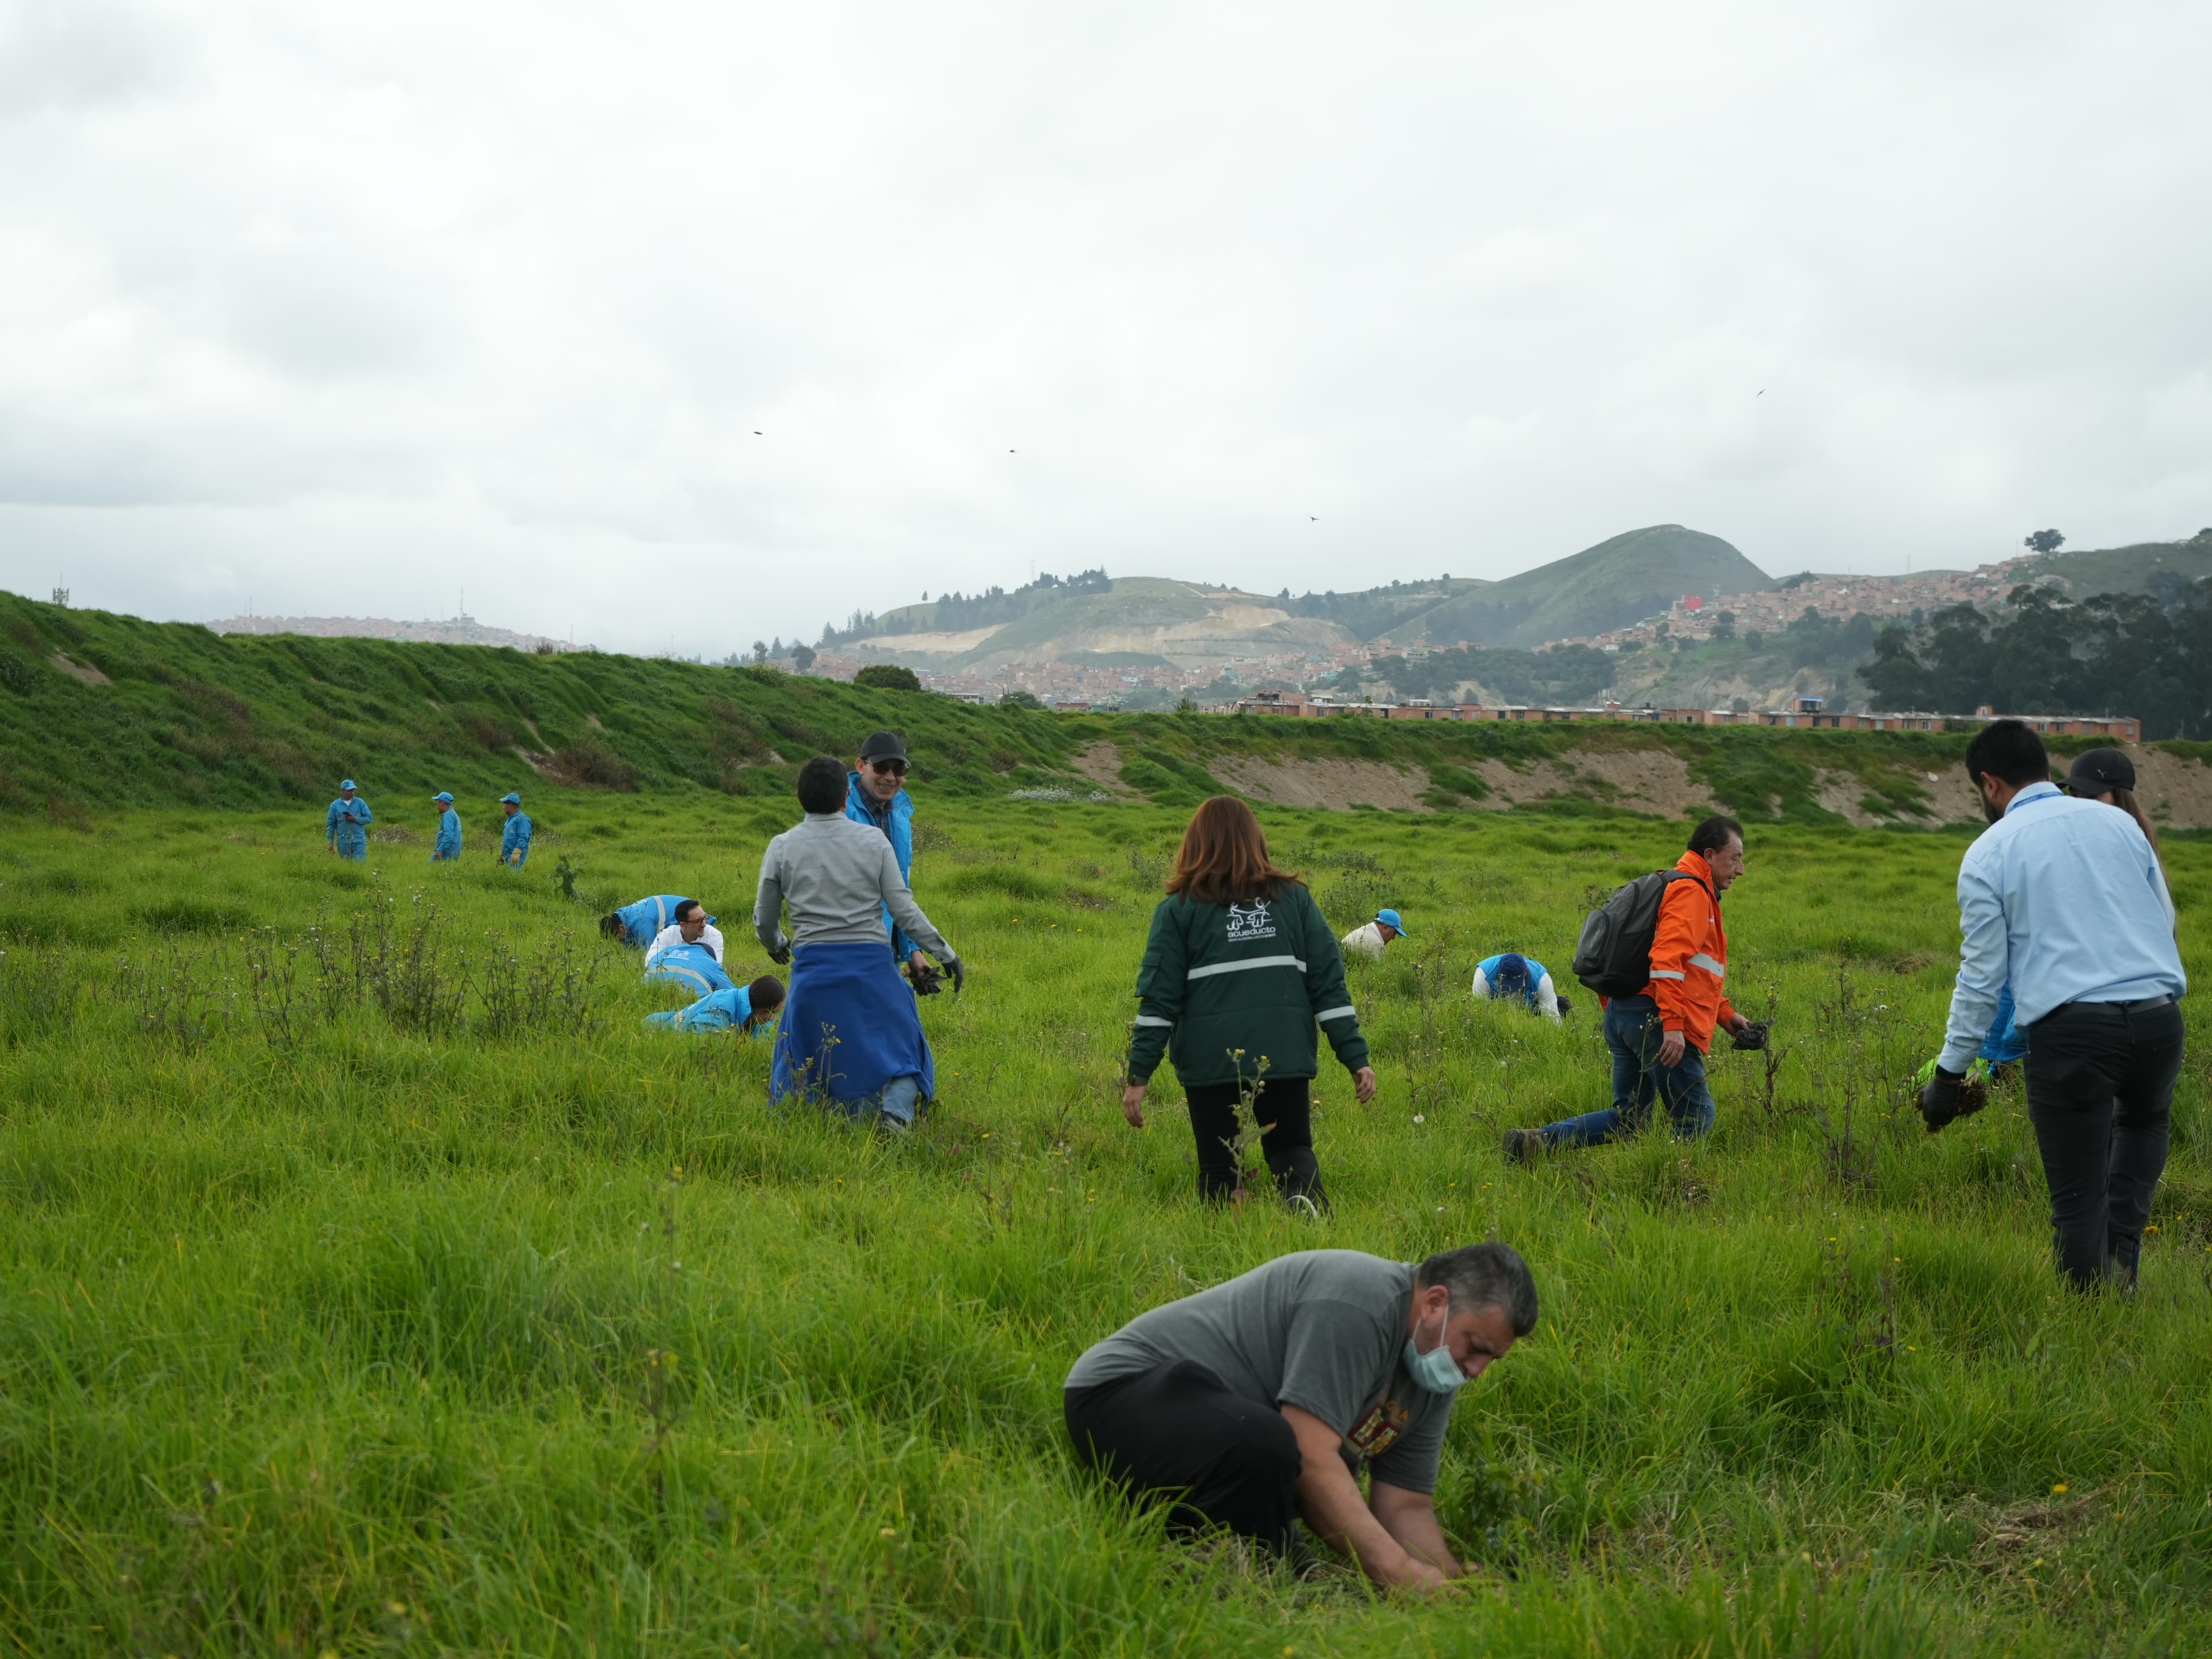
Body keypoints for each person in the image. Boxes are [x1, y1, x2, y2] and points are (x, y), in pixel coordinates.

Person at [1064, 1243, 1538, 1588]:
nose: (1475, 1371)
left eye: (1491, 1360)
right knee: (1271, 1445)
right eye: (1475, 1347)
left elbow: (1405, 1504)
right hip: (1119, 1393)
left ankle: (1252, 1541)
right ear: (1435, 1303)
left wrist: (1450, 1581)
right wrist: (1399, 1574)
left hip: (1221, 1436)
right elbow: (1311, 1457)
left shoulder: (1433, 1370)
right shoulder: (1360, 1301)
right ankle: (1254, 1550)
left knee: (1275, 1450)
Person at [1919, 720, 2185, 1292]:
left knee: (2077, 1199)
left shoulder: (1989, 851)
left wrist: (1949, 1075)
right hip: (2158, 1020)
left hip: (2073, 1035)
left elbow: (1982, 979)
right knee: (2140, 1139)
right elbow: (2163, 920)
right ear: (2044, 768)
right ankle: (2123, 1281)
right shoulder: (2119, 824)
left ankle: (2087, 1315)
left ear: (1990, 783)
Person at [1121, 796, 1378, 1212]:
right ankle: (1307, 1212)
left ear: (1194, 843)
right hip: (1283, 1052)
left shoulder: (1177, 910)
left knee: (1219, 1168)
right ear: (1256, 839)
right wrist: (1356, 1059)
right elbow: (1328, 986)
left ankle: (1225, 1236)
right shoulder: (1295, 901)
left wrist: (1139, 1076)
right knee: (1291, 1148)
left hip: (1210, 1060)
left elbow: (1160, 1000)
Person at [1502, 815, 1756, 1161]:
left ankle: (1534, 1143)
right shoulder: (1692, 891)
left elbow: (1694, 973)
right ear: (1710, 855)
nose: (1740, 869)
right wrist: (1672, 1025)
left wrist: (1725, 1015)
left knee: (1630, 1119)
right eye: (1735, 858)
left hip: (1623, 1012)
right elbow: (1667, 962)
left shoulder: (1669, 882)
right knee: (1695, 1114)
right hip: (1654, 1020)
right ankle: (1669, 1182)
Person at [756, 754, 965, 1130]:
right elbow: (903, 909)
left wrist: (776, 944)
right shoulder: (874, 841)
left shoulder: (782, 846)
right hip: (874, 968)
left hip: (813, 971)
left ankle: (814, 1123)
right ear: (845, 797)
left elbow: (764, 920)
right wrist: (945, 953)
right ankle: (896, 1113)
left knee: (801, 1054)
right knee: (905, 1047)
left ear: (800, 798)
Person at [846, 730, 937, 990]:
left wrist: (913, 951)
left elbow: (898, 893)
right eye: (881, 768)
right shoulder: (838, 810)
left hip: (884, 951)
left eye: (899, 770)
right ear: (861, 766)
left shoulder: (899, 816)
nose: (890, 777)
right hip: (846, 952)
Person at [2062, 748, 2164, 864]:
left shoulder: (2131, 846)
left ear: (2120, 797)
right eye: (2074, 795)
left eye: (2092, 796)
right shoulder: (2067, 839)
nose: (2081, 803)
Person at [646, 975, 785, 1034]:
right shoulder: (719, 1012)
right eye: (771, 1012)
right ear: (758, 1005)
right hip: (657, 1030)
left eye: (776, 1013)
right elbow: (701, 1049)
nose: (772, 1018)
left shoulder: (756, 1014)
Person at [1471, 952, 1568, 1020]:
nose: (1511, 990)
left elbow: (1551, 1016)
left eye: (1515, 984)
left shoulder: (1541, 979)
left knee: (1561, 1003)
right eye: (1507, 983)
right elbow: (1481, 1011)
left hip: (1529, 1007)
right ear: (1498, 971)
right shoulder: (1484, 974)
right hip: (1497, 1011)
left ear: (1526, 972)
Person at [642, 936, 736, 999]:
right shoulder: (711, 962)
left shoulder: (662, 953)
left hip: (646, 992)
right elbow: (732, 994)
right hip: (694, 999)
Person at [645, 899, 726, 965]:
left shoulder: (714, 935)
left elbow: (716, 967)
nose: (704, 924)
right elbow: (650, 962)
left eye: (705, 918)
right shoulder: (667, 935)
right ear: (683, 925)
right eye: (698, 921)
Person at [601, 895, 696, 948]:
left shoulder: (640, 921)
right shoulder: (623, 915)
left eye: (619, 938)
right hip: (685, 909)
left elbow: (650, 950)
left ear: (621, 927)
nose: (620, 941)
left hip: (691, 916)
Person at [325, 779, 373, 861]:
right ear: (343, 791)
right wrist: (331, 842)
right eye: (349, 790)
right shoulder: (335, 805)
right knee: (346, 866)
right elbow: (331, 825)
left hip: (359, 841)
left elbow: (369, 818)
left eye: (354, 790)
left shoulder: (360, 803)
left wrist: (356, 819)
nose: (352, 793)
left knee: (359, 865)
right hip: (343, 842)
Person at [1339, 908, 1406, 960]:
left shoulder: (1364, 930)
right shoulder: (1376, 944)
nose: (1393, 937)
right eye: (1394, 933)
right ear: (1385, 928)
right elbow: (1378, 971)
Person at [498, 793, 532, 868]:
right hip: (507, 855)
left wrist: (517, 852)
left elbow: (524, 837)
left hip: (515, 855)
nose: (503, 807)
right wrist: (502, 854)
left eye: (505, 804)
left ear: (510, 805)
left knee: (514, 874)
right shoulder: (509, 820)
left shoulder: (522, 819)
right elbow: (508, 838)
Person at [429, 792, 462, 862]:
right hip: (454, 851)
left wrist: (440, 850)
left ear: (442, 803)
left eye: (437, 804)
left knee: (428, 867)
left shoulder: (448, 815)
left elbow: (449, 835)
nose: (437, 807)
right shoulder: (454, 814)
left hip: (447, 852)